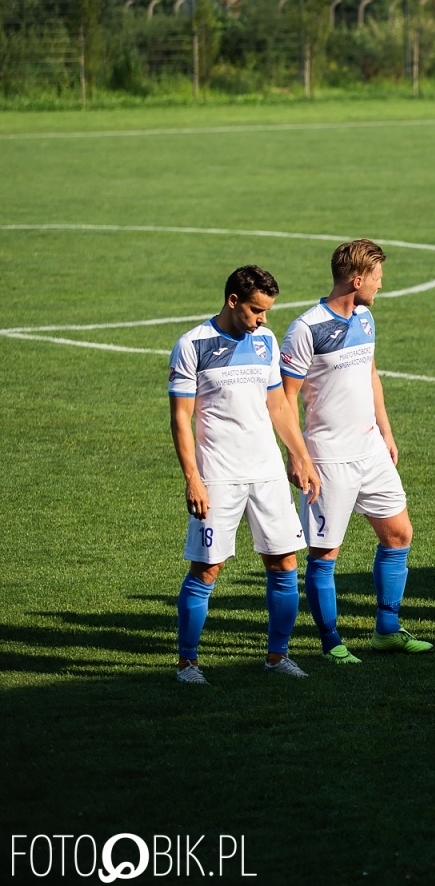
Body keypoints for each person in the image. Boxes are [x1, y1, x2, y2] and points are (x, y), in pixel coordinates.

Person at [169, 265, 321, 684]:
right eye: (257, 310)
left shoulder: (266, 341)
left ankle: (277, 656)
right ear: (233, 301)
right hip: (218, 476)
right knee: (207, 568)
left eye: (267, 311)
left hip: (267, 473)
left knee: (284, 562)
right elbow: (181, 419)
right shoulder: (192, 345)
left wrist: (301, 456)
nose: (264, 320)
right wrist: (193, 478)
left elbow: (278, 406)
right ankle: (187, 664)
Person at [282, 239, 432, 664]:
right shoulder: (306, 328)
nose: (382, 285)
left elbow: (371, 374)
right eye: (378, 278)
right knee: (326, 553)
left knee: (399, 533)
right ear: (356, 278)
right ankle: (331, 643)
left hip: (370, 450)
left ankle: (386, 630)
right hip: (328, 457)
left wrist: (386, 431)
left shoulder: (365, 318)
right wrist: (298, 455)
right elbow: (284, 399)